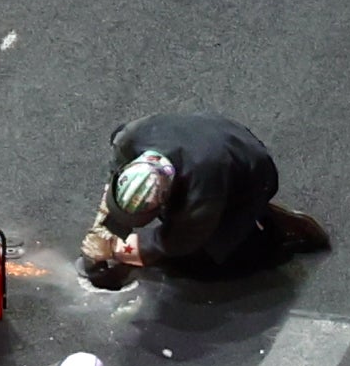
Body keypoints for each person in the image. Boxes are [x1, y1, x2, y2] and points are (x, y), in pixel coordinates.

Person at [81, 113, 329, 286]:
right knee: (178, 222)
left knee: (204, 259)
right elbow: (114, 176)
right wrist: (102, 229)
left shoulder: (201, 196)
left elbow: (172, 243)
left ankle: (266, 223)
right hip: (211, 138)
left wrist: (115, 250)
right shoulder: (131, 138)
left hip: (250, 172)